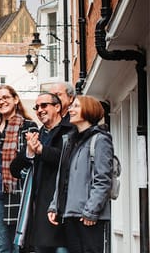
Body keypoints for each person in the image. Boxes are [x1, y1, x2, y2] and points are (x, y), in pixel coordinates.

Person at [10, 92, 74, 253]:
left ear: (57, 107)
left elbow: (69, 161)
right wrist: (30, 153)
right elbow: (14, 169)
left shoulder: (71, 131)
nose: (39, 110)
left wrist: (41, 150)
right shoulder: (37, 135)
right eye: (36, 107)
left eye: (44, 105)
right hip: (39, 213)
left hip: (64, 209)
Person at [48, 96, 113, 253]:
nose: (71, 109)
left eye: (76, 106)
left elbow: (103, 180)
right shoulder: (69, 141)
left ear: (89, 110)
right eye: (71, 106)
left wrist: (91, 211)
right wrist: (54, 206)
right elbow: (62, 178)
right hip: (69, 213)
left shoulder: (100, 140)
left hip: (88, 216)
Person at [0, 85, 38, 253]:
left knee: (20, 247)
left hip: (19, 195)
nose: (1, 101)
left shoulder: (28, 126)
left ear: (15, 99)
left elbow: (32, 161)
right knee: (2, 248)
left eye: (5, 97)